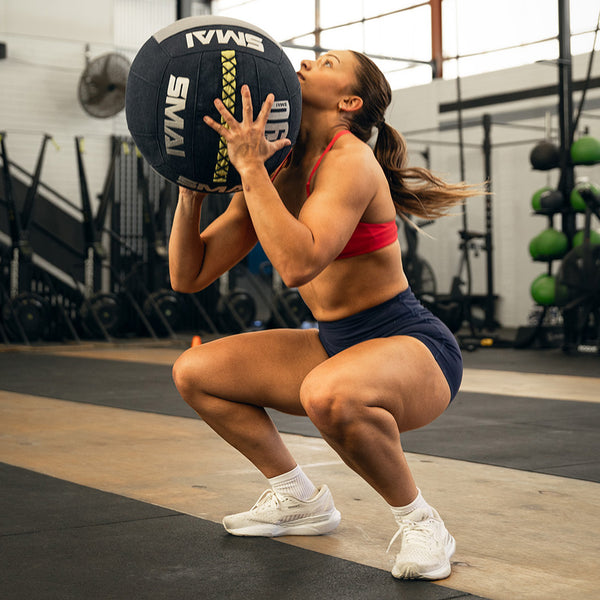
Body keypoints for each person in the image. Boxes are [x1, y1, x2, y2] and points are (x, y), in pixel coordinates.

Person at [169, 50, 479, 581]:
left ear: (349, 101)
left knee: (327, 393)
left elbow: (297, 263)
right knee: (195, 372)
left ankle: (422, 522)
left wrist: (248, 169)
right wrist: (190, 192)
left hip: (411, 345)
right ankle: (298, 499)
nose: (308, 61)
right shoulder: (277, 166)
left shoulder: (349, 160)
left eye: (328, 61)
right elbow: (188, 276)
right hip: (334, 344)